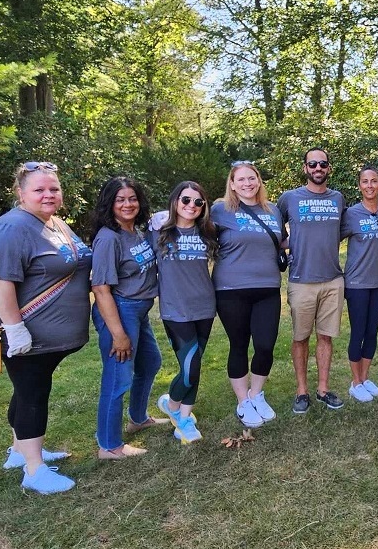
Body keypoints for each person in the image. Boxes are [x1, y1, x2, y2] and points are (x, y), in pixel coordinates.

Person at [0, 161, 92, 494]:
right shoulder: (10, 228)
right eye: (39, 189)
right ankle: (35, 470)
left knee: (28, 390)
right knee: (33, 395)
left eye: (54, 188)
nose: (48, 194)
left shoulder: (55, 223)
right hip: (27, 337)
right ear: (20, 193)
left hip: (49, 338)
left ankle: (19, 452)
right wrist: (15, 328)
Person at [91, 176, 168, 460]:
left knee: (150, 362)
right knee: (117, 377)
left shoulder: (135, 231)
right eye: (120, 199)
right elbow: (100, 288)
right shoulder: (108, 238)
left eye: (132, 198)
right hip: (120, 311)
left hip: (138, 311)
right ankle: (109, 445)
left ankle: (137, 418)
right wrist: (119, 334)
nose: (127, 204)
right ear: (109, 204)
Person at [213, 161, 287, 427]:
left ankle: (256, 395)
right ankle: (242, 400)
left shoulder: (273, 211)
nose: (247, 183)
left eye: (251, 178)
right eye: (241, 179)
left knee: (266, 345)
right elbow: (192, 226)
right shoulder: (220, 210)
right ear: (232, 184)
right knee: (239, 345)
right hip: (231, 290)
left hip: (267, 288)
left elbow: (282, 240)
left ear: (259, 180)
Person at [277, 148, 346, 413]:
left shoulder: (338, 198)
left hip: (332, 280)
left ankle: (323, 389)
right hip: (300, 280)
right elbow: (273, 227)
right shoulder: (289, 198)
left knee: (326, 337)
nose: (318, 168)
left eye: (323, 164)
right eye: (313, 164)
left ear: (329, 168)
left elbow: (346, 226)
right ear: (305, 168)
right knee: (301, 337)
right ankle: (302, 391)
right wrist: (289, 243)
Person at [151, 181, 217, 443]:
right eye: (186, 200)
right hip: (175, 310)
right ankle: (172, 405)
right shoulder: (158, 232)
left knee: (195, 364)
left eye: (198, 202)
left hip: (205, 308)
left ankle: (184, 419)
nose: (192, 206)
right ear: (175, 201)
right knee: (190, 368)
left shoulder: (209, 233)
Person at [340, 165, 378, 402]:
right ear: (359, 185)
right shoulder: (351, 214)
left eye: (374, 181)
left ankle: (365, 377)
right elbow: (330, 238)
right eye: (365, 181)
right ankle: (355, 382)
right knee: (358, 332)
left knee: (372, 332)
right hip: (356, 283)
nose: (370, 185)